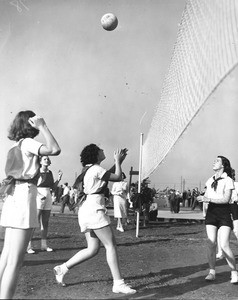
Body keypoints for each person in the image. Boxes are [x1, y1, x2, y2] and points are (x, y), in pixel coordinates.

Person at [53, 144, 136, 294]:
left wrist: (119, 161)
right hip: (94, 209)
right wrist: (117, 161)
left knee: (93, 249)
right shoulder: (96, 169)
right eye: (100, 150)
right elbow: (116, 177)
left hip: (87, 209)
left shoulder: (92, 169)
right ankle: (118, 283)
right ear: (95, 154)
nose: (103, 150)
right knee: (110, 245)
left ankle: (62, 268)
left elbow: (107, 175)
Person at [0, 111, 61, 299]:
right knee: (14, 262)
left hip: (13, 197)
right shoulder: (27, 142)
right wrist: (43, 126)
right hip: (23, 197)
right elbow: (55, 149)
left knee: (6, 256)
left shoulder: (15, 145)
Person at [197, 155, 238, 284]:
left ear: (223, 165)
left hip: (224, 213)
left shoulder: (228, 180)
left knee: (224, 244)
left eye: (217, 161)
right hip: (211, 213)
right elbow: (207, 196)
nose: (214, 162)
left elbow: (226, 199)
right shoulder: (210, 180)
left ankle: (234, 272)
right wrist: (202, 197)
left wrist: (208, 199)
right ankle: (212, 272)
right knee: (211, 243)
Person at [27, 157, 63, 254]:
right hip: (39, 195)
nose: (47, 160)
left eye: (48, 159)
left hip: (48, 195)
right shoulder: (36, 171)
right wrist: (39, 195)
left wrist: (58, 179)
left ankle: (44, 245)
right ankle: (28, 245)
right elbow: (31, 185)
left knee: (45, 222)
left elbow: (53, 187)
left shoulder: (50, 172)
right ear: (40, 161)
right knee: (35, 221)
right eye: (45, 159)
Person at [216, 168, 238, 259]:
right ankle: (221, 252)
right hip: (224, 210)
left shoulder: (236, 184)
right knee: (221, 232)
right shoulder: (221, 184)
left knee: (236, 230)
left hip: (234, 209)